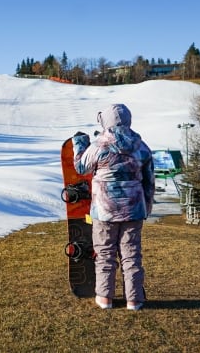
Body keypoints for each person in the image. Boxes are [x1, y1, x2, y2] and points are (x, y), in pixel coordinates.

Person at [72, 103, 154, 310]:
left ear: (105, 121)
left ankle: (104, 298)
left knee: (105, 253)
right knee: (131, 254)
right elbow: (149, 181)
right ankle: (134, 300)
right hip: (134, 209)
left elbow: (81, 167)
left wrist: (81, 143)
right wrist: (147, 206)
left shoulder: (99, 145)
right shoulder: (142, 147)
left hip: (104, 209)